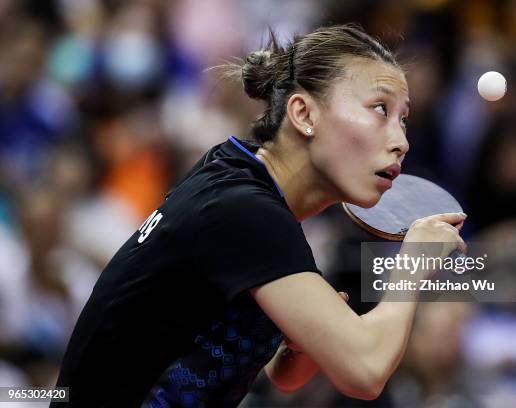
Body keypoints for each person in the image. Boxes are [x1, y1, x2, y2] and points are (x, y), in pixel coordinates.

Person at [51, 23, 466, 407]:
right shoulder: (243, 209)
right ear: (303, 114)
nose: (401, 142)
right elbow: (366, 371)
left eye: (404, 120)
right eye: (380, 109)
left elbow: (279, 376)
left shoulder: (236, 178)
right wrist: (414, 264)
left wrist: (302, 346)